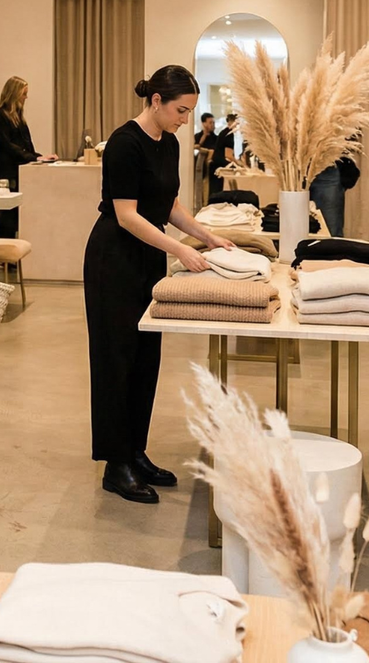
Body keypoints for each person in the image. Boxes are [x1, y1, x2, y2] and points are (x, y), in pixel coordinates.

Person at [84, 65, 234, 504]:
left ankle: (136, 450)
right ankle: (116, 465)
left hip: (148, 253)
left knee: (146, 356)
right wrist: (180, 250)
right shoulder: (123, 144)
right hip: (114, 257)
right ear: (155, 101)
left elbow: (167, 204)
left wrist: (206, 236)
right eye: (180, 110)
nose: (185, 120)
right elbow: (128, 214)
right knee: (116, 358)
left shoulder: (167, 144)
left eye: (189, 112)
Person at [0, 76, 56, 238]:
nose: (26, 97)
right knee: (7, 213)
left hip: (18, 168)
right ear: (14, 94)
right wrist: (33, 158)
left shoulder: (19, 116)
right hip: (6, 170)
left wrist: (39, 157)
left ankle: (8, 249)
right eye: (23, 93)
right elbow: (7, 145)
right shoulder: (1, 116)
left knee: (15, 214)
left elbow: (26, 143)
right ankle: (1, 251)